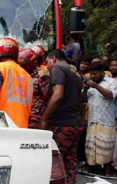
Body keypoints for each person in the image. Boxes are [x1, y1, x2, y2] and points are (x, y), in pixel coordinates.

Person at [38, 49, 83, 184]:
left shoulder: (58, 69)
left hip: (62, 123)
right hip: (75, 123)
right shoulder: (75, 72)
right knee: (69, 160)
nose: (47, 66)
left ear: (53, 59)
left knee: (51, 160)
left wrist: (43, 118)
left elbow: (57, 95)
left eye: (47, 62)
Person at [82, 62, 117, 175]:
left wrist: (96, 86)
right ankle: (94, 169)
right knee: (92, 147)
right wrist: (85, 89)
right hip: (93, 119)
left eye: (95, 73)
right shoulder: (90, 83)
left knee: (106, 146)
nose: (92, 76)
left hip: (106, 120)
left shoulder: (112, 82)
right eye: (91, 74)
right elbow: (83, 100)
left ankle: (107, 169)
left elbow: (111, 95)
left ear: (102, 72)